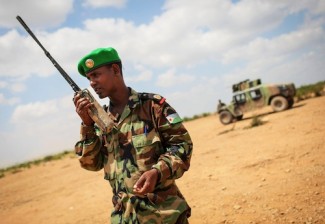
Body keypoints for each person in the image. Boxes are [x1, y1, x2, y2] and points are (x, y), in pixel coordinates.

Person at [73, 47, 193, 224]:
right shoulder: (100, 121)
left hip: (165, 215)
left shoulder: (153, 107)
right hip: (126, 218)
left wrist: (156, 172)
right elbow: (91, 164)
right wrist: (87, 125)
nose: (92, 83)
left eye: (96, 75)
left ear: (115, 70)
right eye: (89, 78)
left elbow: (182, 146)